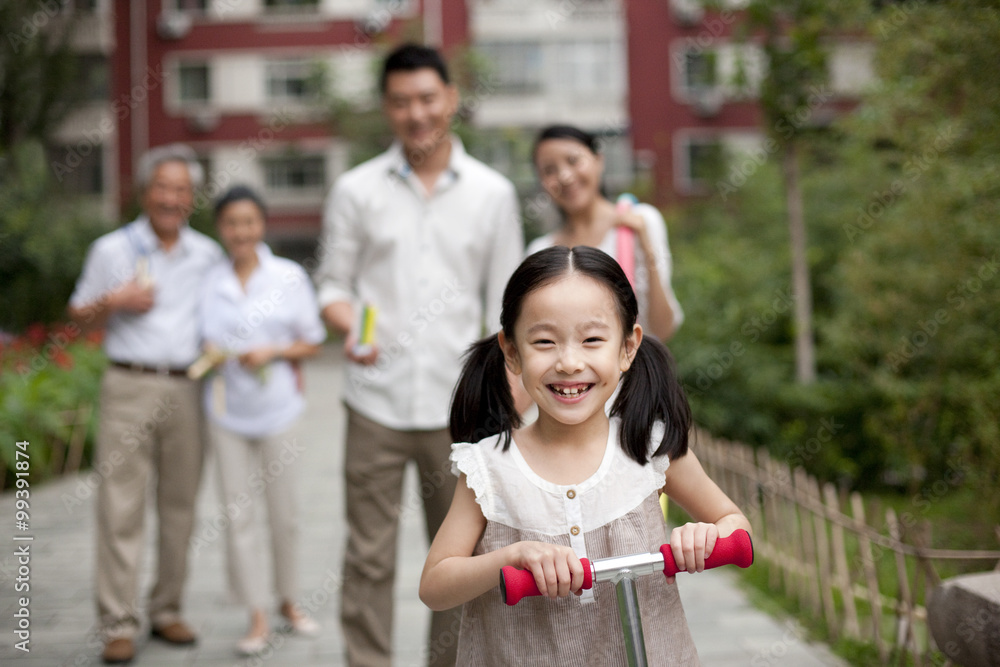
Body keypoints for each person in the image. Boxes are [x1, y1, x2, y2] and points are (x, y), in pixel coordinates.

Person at [419, 246, 751, 665]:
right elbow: (435, 584)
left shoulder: (648, 448)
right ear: (512, 352)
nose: (570, 362)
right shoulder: (490, 468)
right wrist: (511, 557)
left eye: (592, 340)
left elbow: (737, 526)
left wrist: (704, 536)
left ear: (628, 346)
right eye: (544, 342)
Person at [314, 43, 524, 667]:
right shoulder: (356, 190)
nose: (416, 114)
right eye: (401, 102)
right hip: (373, 402)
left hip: (462, 412)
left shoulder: (492, 193)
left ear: (451, 100)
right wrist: (349, 324)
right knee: (368, 556)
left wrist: (509, 394)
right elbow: (332, 286)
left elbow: (508, 307)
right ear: (386, 107)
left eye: (428, 98)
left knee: (459, 563)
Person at [67, 144, 224, 664]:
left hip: (187, 387)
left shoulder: (207, 253)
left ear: (191, 198)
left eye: (182, 190)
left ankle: (167, 608)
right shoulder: (111, 250)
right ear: (143, 191)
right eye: (163, 187)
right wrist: (115, 301)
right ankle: (117, 622)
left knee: (180, 505)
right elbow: (77, 316)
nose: (172, 198)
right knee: (120, 506)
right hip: (129, 385)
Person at [198, 186, 327, 656]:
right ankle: (256, 614)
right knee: (238, 517)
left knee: (285, 514)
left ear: (262, 224)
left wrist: (271, 350)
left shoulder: (288, 276)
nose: (241, 232)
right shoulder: (209, 280)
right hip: (226, 412)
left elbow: (312, 342)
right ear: (221, 229)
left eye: (249, 222)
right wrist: (212, 355)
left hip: (279, 411)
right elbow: (196, 341)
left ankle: (289, 602)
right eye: (232, 223)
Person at [527, 124, 684, 341]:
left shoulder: (640, 222)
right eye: (549, 170)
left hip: (635, 374)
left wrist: (646, 248)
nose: (564, 176)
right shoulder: (540, 251)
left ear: (599, 160)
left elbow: (663, 329)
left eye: (573, 161)